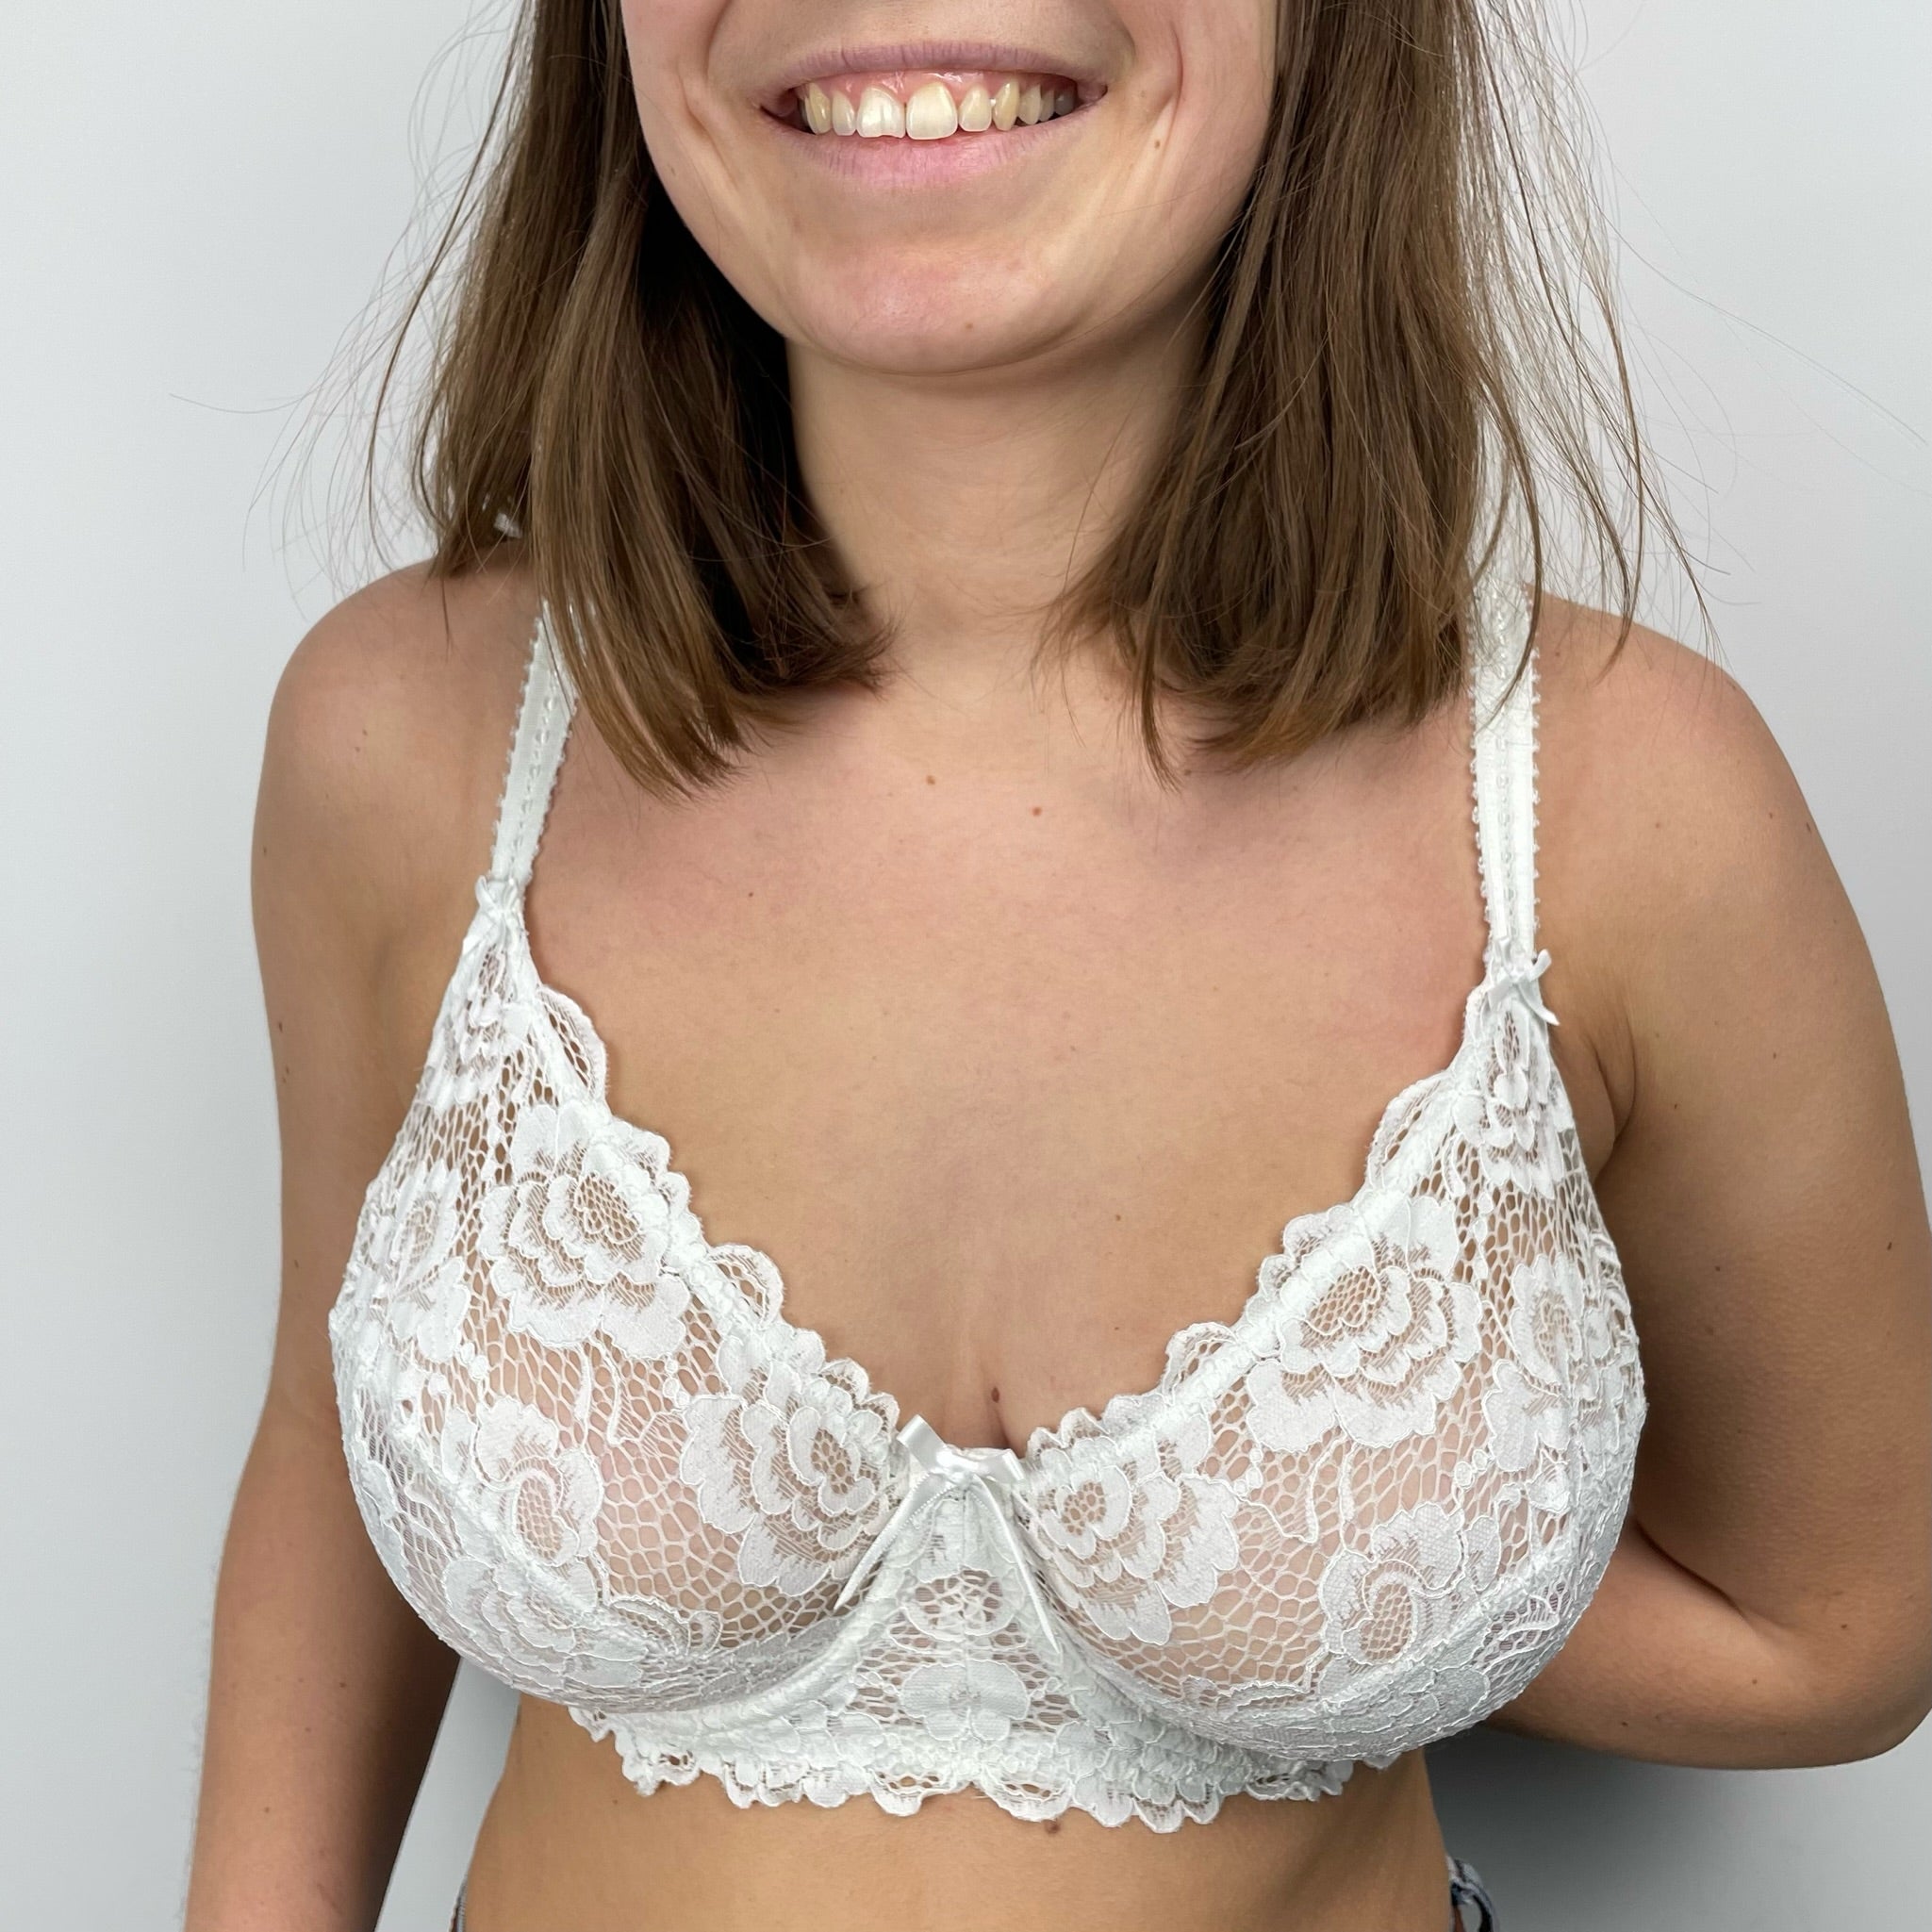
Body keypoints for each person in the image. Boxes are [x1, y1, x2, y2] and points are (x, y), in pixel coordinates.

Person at [184, 4, 1932, 1929]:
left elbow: (1841, 1629)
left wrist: (1380, 1574)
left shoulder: (1616, 809)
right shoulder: (410, 739)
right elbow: (334, 1436)